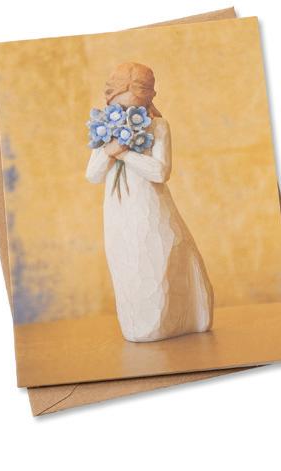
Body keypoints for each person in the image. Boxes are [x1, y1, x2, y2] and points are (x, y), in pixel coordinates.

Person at [86, 62, 214, 342]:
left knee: (158, 262)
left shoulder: (158, 126)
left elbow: (160, 172)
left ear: (147, 99)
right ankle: (139, 326)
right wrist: (108, 151)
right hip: (119, 213)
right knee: (128, 265)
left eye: (136, 107)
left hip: (151, 208)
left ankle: (174, 320)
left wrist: (124, 153)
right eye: (122, 107)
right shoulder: (104, 128)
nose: (128, 114)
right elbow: (93, 175)